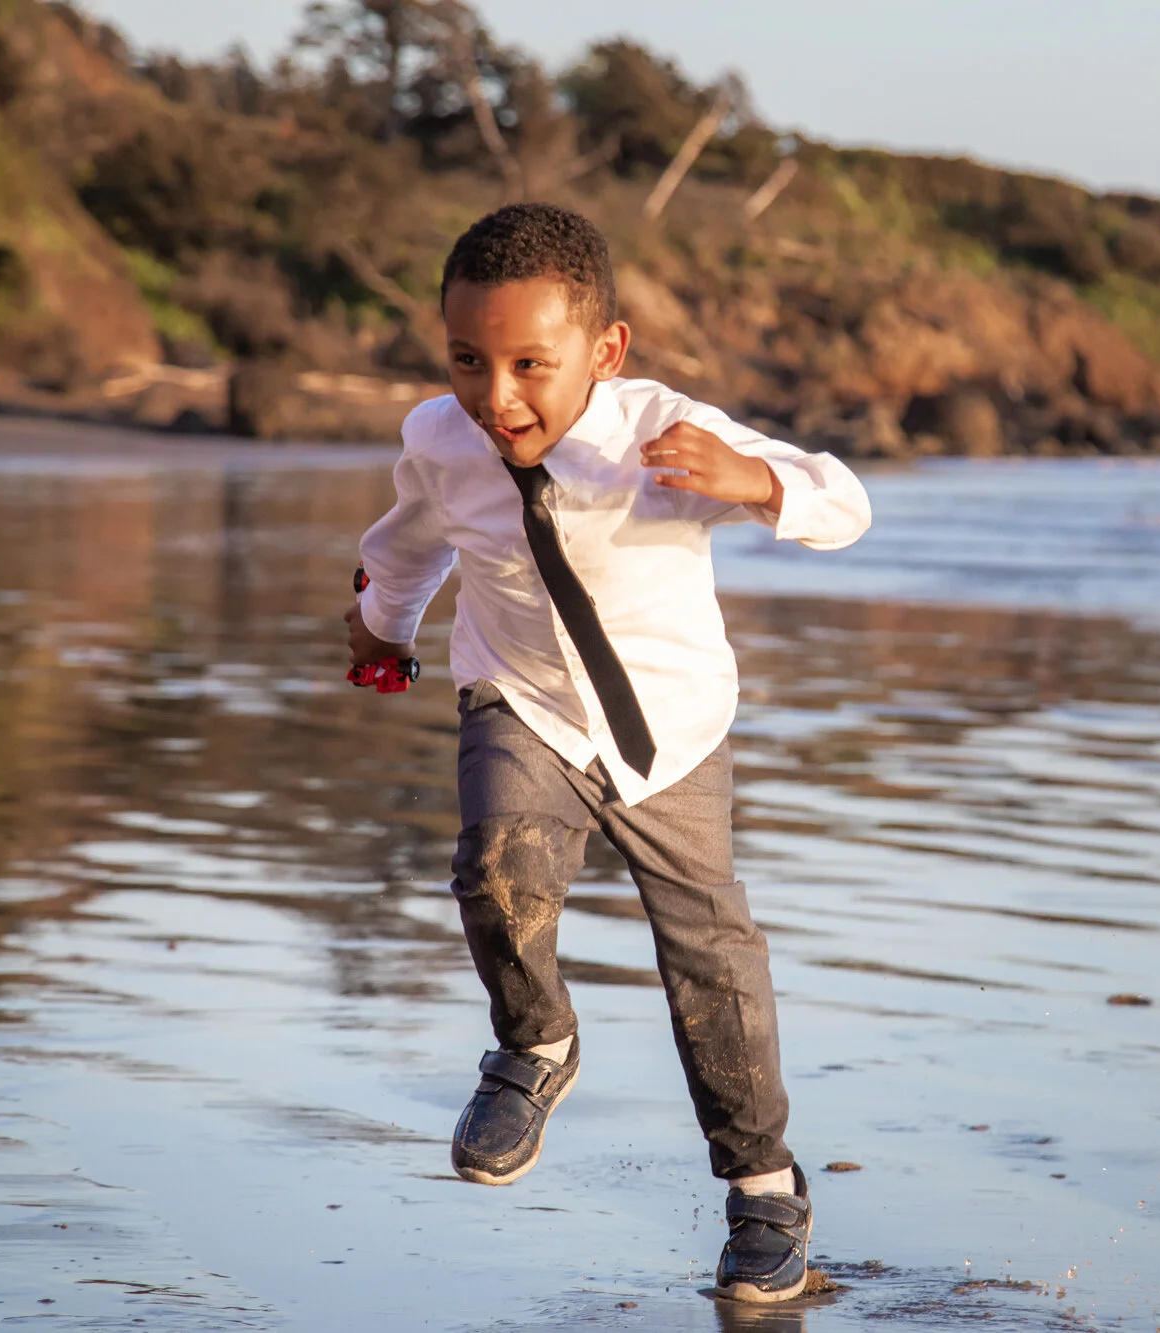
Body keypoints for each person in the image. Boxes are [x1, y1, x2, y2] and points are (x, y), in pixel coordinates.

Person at [343, 203, 871, 1302]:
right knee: (495, 864)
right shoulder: (443, 439)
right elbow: (404, 542)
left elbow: (845, 501)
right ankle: (532, 1045)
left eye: (531, 363)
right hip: (522, 698)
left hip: (670, 732)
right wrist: (383, 625)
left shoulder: (664, 432)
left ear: (606, 351)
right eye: (468, 361)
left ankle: (764, 1193)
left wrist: (754, 482)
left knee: (709, 958)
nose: (498, 395)